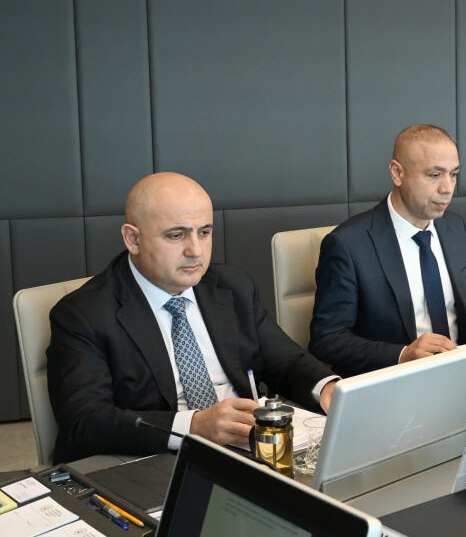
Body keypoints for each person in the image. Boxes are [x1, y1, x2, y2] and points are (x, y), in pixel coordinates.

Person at [47, 173, 337, 463]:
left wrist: (327, 387)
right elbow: (85, 420)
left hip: (245, 452)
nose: (195, 251)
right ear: (133, 239)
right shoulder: (83, 314)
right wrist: (194, 426)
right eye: (176, 235)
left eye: (204, 232)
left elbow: (285, 361)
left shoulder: (233, 286)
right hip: (152, 460)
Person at [310, 125, 466, 378]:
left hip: (462, 372)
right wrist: (402, 354)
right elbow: (327, 339)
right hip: (394, 382)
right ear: (397, 173)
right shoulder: (348, 244)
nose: (448, 188)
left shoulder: (454, 227)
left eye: (453, 174)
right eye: (434, 175)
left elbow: (465, 305)